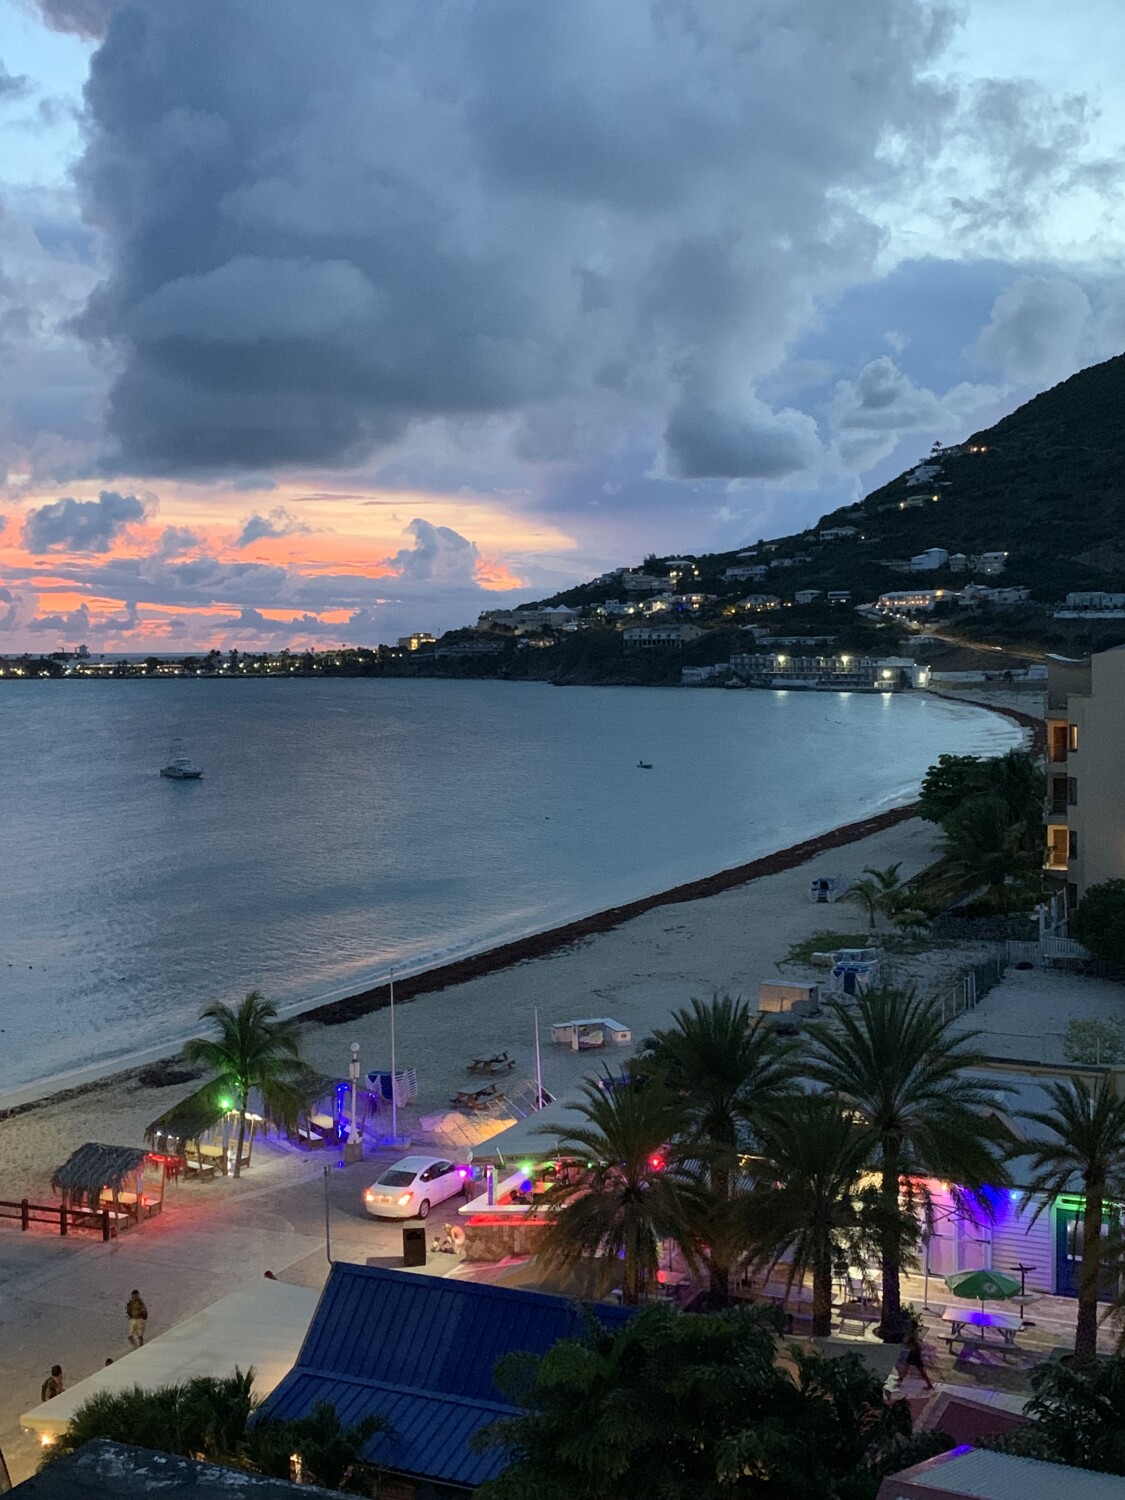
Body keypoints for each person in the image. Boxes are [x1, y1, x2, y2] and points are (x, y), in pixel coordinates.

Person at [895, 1317, 934, 1391]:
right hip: (913, 1352)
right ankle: (901, 1378)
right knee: (907, 1365)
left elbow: (909, 1342)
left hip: (914, 1353)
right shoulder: (912, 1333)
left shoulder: (911, 1334)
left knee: (920, 1370)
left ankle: (929, 1385)